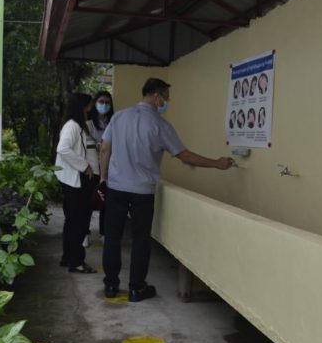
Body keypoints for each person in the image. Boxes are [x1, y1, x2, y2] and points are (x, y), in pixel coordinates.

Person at [99, 78, 234, 302]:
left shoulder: (119, 117)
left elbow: (105, 148)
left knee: (112, 237)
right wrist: (217, 163)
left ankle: (111, 286)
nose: (166, 103)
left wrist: (103, 178)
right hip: (143, 191)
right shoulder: (161, 125)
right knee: (141, 240)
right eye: (166, 98)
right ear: (157, 96)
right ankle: (136, 289)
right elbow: (185, 156)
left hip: (116, 187)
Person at [55, 93, 98, 274]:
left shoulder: (77, 125)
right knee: (79, 223)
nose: (91, 108)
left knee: (72, 221)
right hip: (76, 181)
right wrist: (84, 166)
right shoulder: (72, 126)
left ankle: (68, 258)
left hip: (75, 180)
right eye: (89, 105)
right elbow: (63, 148)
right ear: (83, 106)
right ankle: (77, 262)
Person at [85, 90, 114, 246]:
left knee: (106, 202)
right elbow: (86, 144)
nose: (104, 105)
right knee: (89, 201)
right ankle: (85, 233)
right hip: (92, 167)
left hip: (109, 167)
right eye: (101, 102)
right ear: (95, 103)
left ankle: (104, 232)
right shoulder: (88, 124)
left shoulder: (114, 122)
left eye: (107, 102)